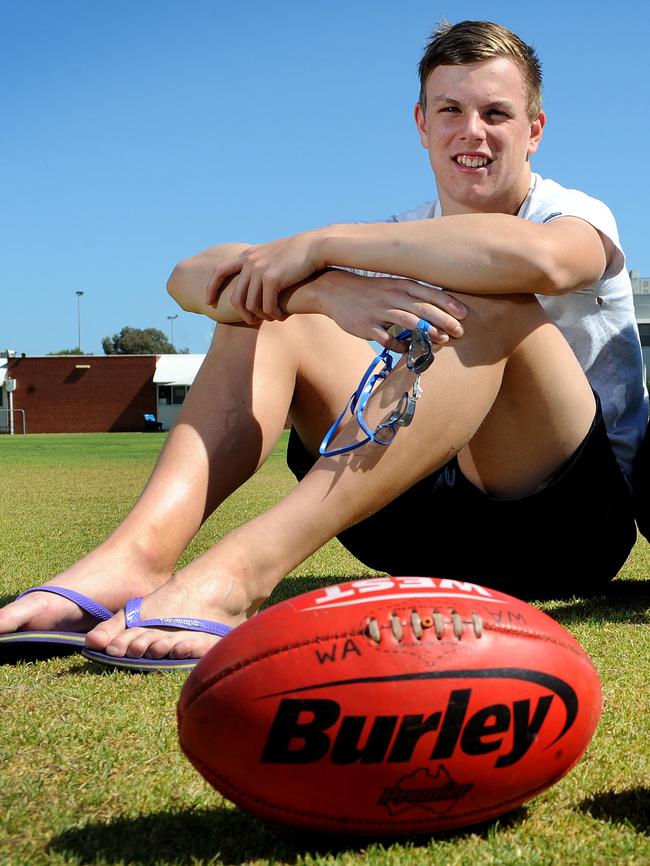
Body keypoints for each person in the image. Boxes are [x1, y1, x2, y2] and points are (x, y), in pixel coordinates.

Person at [0, 20, 646, 671]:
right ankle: (137, 554)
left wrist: (320, 247)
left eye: (496, 113)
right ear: (421, 123)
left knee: (493, 291)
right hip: (407, 523)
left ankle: (243, 574)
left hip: (563, 528)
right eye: (450, 109)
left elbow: (546, 263)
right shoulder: (395, 236)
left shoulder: (567, 213)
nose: (471, 130)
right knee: (266, 309)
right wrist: (319, 290)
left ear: (534, 130)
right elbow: (188, 278)